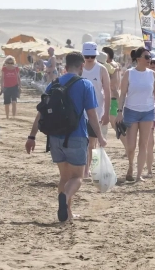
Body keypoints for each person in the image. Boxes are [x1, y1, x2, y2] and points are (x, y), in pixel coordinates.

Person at [25, 52, 106, 222]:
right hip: (76, 136)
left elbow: (41, 113)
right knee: (78, 177)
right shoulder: (85, 84)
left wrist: (31, 136)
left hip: (55, 137)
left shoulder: (53, 84)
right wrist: (100, 136)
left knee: (64, 177)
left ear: (66, 66)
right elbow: (92, 115)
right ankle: (65, 197)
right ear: (82, 66)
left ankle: (67, 213)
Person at [115, 48, 155, 182]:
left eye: (150, 57)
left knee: (143, 144)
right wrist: (119, 112)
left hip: (148, 112)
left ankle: (139, 175)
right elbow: (122, 94)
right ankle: (131, 166)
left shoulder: (152, 74)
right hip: (131, 111)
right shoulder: (129, 73)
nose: (149, 59)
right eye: (146, 57)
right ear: (138, 59)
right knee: (131, 146)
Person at [81, 42, 110, 178]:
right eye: (87, 56)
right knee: (81, 141)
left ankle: (87, 170)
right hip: (79, 112)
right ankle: (82, 168)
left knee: (91, 143)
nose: (90, 58)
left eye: (92, 56)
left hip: (96, 111)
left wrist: (107, 113)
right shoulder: (79, 69)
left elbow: (108, 92)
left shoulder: (101, 69)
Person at [101, 47, 129, 152]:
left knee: (116, 125)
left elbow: (112, 84)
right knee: (116, 125)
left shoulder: (110, 66)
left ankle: (128, 148)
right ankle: (128, 148)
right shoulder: (115, 65)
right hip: (114, 98)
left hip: (112, 98)